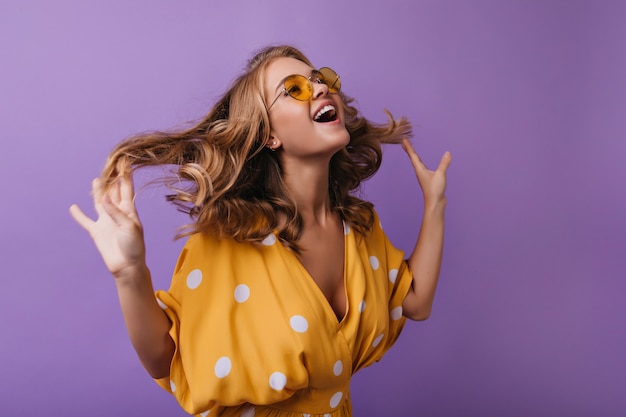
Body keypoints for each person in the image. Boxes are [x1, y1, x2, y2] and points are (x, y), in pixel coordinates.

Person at [70, 45, 451, 417]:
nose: (320, 88)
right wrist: (129, 273)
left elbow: (414, 301)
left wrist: (434, 205)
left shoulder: (360, 226)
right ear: (270, 135)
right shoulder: (231, 236)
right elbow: (166, 360)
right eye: (295, 89)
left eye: (320, 79)